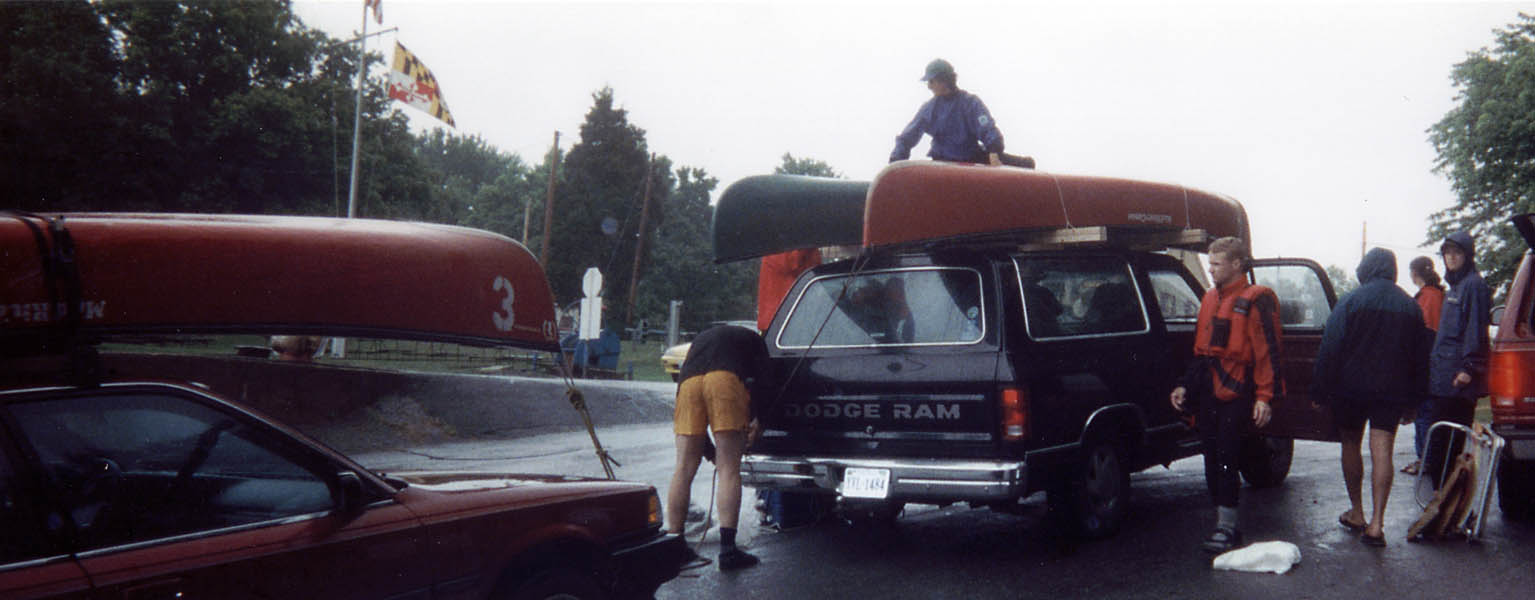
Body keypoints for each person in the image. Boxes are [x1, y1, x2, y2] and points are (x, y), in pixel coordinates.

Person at [1169, 236, 1283, 553]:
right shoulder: (1210, 298)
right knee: (1211, 455)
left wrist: (1264, 396)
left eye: (1217, 264)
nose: (1211, 269)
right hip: (1208, 389)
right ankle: (1222, 520)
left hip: (1239, 390)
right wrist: (1184, 386)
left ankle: (1227, 527)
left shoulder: (1257, 299)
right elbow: (1202, 353)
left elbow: (1267, 353)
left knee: (1227, 457)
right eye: (1210, 264)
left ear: (1236, 264)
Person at [1312, 248, 1431, 547]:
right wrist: (1415, 401)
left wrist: (1319, 389)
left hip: (1350, 389)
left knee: (1351, 444)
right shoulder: (1410, 305)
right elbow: (1421, 358)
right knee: (1383, 452)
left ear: (1364, 269)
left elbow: (1331, 347)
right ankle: (1377, 524)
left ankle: (1357, 512)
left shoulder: (1350, 301)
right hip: (1390, 391)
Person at [665, 324, 774, 570]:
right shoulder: (757, 342)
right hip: (725, 380)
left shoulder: (703, 338)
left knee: (682, 469)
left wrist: (708, 451)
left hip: (688, 384)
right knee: (728, 469)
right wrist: (760, 420)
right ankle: (728, 551)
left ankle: (674, 546)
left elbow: (689, 386)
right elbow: (766, 383)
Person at [1422, 232, 1492, 484]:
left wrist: (1469, 368)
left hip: (1457, 381)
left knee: (1448, 448)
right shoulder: (1457, 286)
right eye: (1446, 252)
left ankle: (1446, 509)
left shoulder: (1473, 285)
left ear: (1468, 255)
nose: (1450, 257)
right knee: (1440, 447)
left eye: (1457, 252)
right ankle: (1440, 506)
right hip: (1443, 379)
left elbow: (1475, 330)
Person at [889, 59, 1034, 168]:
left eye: (932, 81)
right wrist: (896, 161)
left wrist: (994, 150)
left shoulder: (970, 103)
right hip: (942, 162)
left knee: (1025, 164)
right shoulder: (929, 109)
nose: (929, 86)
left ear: (943, 80)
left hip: (971, 159)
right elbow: (907, 137)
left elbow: (987, 128)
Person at [1403, 255, 1447, 476]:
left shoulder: (1427, 297)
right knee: (1427, 412)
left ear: (1414, 273)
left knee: (1424, 413)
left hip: (1427, 365)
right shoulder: (1438, 295)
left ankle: (1426, 460)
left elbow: (1425, 335)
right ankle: (1427, 458)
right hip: (1437, 364)